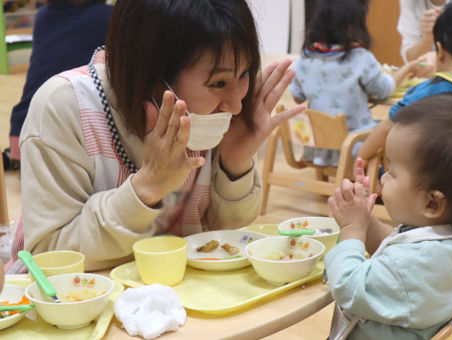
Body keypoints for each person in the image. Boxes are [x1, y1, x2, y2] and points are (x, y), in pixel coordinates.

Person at [5, 0, 305, 273]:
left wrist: (234, 164)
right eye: (219, 82)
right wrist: (146, 188)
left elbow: (222, 234)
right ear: (149, 74)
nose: (237, 104)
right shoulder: (65, 107)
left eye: (246, 74)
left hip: (177, 300)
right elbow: (48, 254)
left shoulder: (214, 116)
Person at [325, 94, 452, 339]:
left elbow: (348, 288)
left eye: (391, 172)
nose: (383, 177)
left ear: (432, 203)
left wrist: (352, 229)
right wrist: (364, 219)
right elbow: (394, 248)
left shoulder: (411, 267)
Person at [358, 2, 452, 162]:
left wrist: (361, 158)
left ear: (439, 51)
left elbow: (386, 129)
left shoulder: (425, 91)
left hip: (425, 180)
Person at [288, 0, 424, 166]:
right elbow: (383, 90)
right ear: (353, 27)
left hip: (317, 146)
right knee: (390, 128)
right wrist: (407, 69)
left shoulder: (305, 59)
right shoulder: (360, 58)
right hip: (354, 146)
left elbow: (297, 97)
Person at [3, 0, 113, 171]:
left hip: (22, 129)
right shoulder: (108, 16)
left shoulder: (42, 17)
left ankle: (16, 157)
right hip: (68, 137)